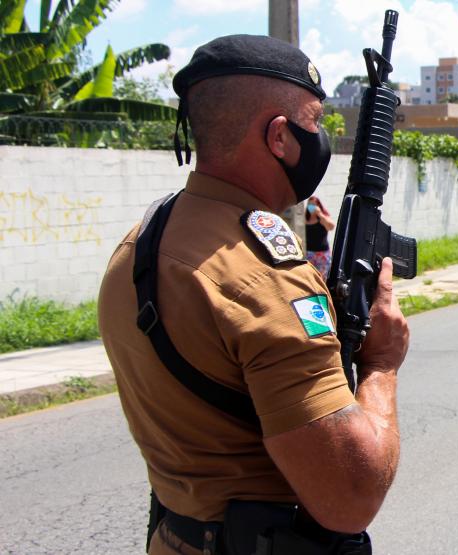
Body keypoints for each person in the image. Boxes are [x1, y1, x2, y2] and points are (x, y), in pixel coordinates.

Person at [97, 35, 409, 555]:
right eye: (314, 125)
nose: (322, 140)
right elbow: (349, 498)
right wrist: (381, 365)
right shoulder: (266, 282)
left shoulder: (141, 244)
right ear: (280, 138)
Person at [305, 196, 334, 279]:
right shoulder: (306, 218)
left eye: (314, 205)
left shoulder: (322, 218)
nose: (311, 207)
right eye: (310, 205)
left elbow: (331, 227)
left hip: (322, 253)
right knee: (311, 277)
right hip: (309, 253)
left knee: (322, 277)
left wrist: (320, 214)